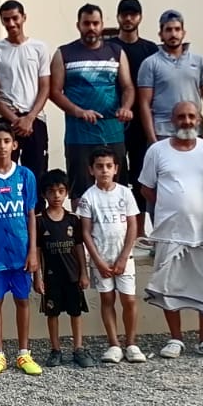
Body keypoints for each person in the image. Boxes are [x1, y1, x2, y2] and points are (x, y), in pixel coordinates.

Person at [139, 101, 203, 358]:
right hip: (170, 232)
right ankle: (175, 339)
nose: (186, 121)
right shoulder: (157, 150)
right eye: (181, 117)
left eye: (191, 116)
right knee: (168, 285)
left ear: (198, 119)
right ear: (172, 120)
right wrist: (170, 205)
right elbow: (146, 188)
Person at [0, 123, 41, 375]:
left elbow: (31, 214)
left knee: (23, 300)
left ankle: (24, 354)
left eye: (6, 141)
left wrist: (32, 251)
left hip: (21, 253)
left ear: (14, 145)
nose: (2, 146)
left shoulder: (25, 175)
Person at [51, 3, 134, 200]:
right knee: (80, 192)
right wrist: (78, 112)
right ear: (78, 25)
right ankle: (82, 222)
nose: (91, 28)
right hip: (79, 135)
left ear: (102, 25)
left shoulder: (117, 52)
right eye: (86, 23)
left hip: (112, 133)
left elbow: (128, 87)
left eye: (95, 23)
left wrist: (126, 107)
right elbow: (54, 92)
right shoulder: (64, 53)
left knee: (117, 190)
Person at [77, 147, 142, 364]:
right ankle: (114, 344)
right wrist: (97, 261)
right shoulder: (88, 198)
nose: (104, 170)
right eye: (99, 166)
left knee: (129, 300)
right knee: (107, 299)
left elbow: (132, 226)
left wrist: (124, 257)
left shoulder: (125, 193)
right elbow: (86, 232)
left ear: (116, 169)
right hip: (101, 259)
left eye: (108, 166)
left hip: (124, 258)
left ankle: (131, 343)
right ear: (91, 170)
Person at [0, 0, 52, 192]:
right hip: (7, 121)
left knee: (36, 175)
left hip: (35, 120)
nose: (11, 23)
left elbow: (45, 87)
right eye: (6, 20)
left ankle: (35, 211)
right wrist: (15, 120)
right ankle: (7, 208)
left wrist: (29, 118)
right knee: (5, 174)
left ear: (24, 17)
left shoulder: (39, 48)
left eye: (15, 18)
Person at [35, 170, 91, 365]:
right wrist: (37, 277)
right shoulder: (40, 221)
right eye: (51, 191)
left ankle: (78, 348)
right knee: (52, 314)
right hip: (51, 278)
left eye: (60, 191)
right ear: (44, 194)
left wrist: (84, 273)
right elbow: (37, 251)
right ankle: (55, 350)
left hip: (73, 276)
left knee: (76, 312)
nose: (56, 196)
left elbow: (79, 247)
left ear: (67, 192)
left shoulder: (73, 220)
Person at [115, 0, 160, 229]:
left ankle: (140, 230)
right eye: (124, 14)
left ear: (140, 17)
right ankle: (120, 228)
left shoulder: (150, 49)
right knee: (117, 174)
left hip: (143, 122)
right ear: (118, 17)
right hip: (115, 121)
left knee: (141, 175)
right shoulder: (111, 47)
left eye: (133, 14)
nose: (128, 18)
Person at [138, 9, 203, 142]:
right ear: (161, 34)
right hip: (163, 132)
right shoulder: (150, 64)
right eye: (168, 30)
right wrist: (152, 139)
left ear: (183, 33)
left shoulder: (200, 62)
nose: (173, 34)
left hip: (194, 130)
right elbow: (144, 104)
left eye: (177, 29)